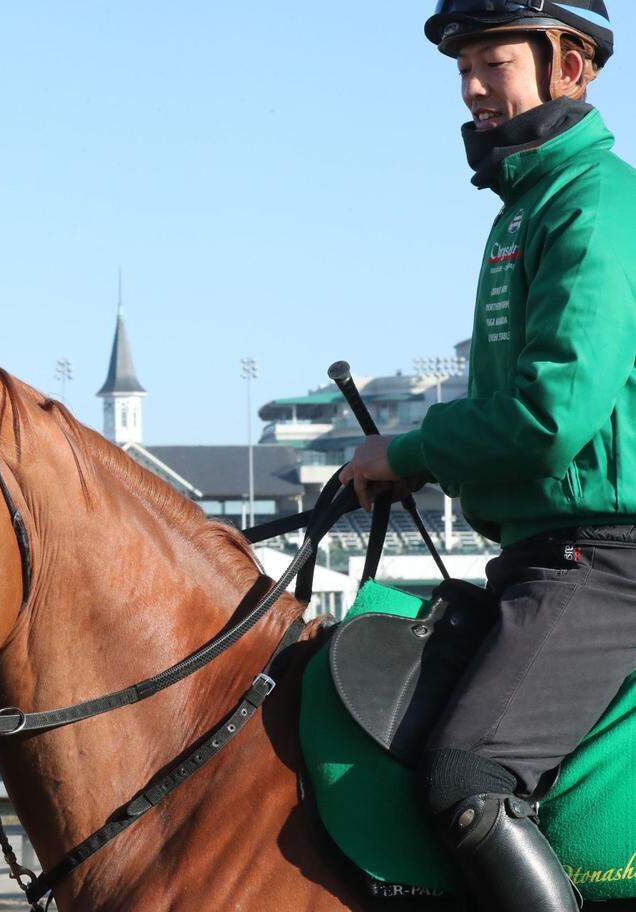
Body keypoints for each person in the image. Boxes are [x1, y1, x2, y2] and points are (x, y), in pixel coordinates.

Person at [340, 2, 636, 910]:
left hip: (605, 560)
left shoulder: (595, 203)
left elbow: (553, 415)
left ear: (571, 67)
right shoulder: (525, 209)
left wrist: (415, 449)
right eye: (461, 70)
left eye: (493, 64)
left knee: (469, 778)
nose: (471, 89)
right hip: (543, 552)